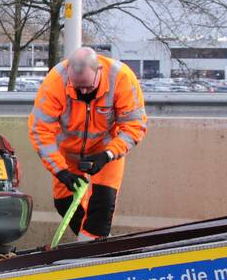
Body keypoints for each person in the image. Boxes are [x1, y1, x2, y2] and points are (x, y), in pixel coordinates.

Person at [28, 46, 148, 240]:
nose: (83, 92)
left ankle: (93, 254)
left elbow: (135, 125)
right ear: (68, 75)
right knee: (64, 204)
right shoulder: (55, 82)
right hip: (67, 153)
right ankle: (94, 246)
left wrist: (107, 155)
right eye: (78, 88)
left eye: (88, 87)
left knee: (101, 206)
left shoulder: (121, 78)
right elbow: (40, 131)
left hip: (106, 152)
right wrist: (61, 171)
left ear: (99, 70)